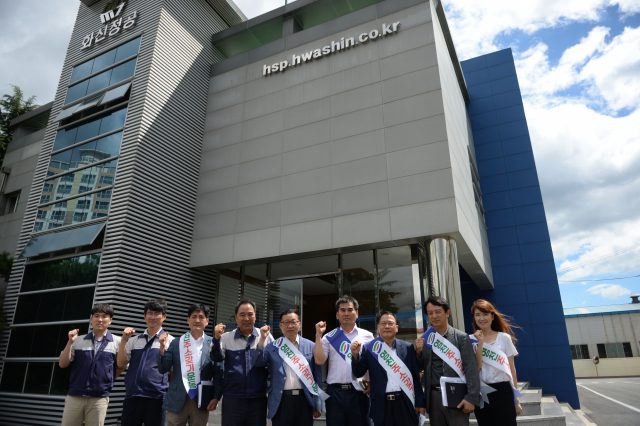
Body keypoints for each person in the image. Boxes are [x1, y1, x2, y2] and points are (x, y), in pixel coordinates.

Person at [351, 311, 426, 426]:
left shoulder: (408, 348)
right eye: (383, 323)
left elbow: (416, 378)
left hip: (404, 403)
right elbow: (358, 372)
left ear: (396, 328)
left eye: (390, 323)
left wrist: (420, 403)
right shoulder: (369, 349)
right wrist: (356, 356)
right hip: (381, 405)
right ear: (378, 328)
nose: (387, 326)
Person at [251, 309, 323, 426]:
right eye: (286, 322)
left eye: (293, 322)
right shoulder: (273, 347)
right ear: (280, 325)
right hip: (281, 400)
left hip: (304, 400)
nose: (290, 326)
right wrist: (262, 340)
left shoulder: (311, 346)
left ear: (299, 324)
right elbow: (257, 362)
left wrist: (318, 402)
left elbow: (317, 375)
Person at [416, 296, 480, 426]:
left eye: (438, 311)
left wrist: (471, 398)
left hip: (457, 395)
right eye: (430, 313)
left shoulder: (461, 337)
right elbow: (419, 368)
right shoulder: (425, 339)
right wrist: (418, 353)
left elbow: (471, 369)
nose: (434, 316)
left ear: (447, 313)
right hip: (433, 397)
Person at [59, 303, 124, 426]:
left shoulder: (119, 342)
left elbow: (122, 366)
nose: (100, 319)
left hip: (99, 398)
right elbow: (62, 364)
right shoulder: (78, 340)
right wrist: (70, 342)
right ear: (91, 319)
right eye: (96, 316)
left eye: (104, 316)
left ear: (110, 320)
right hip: (75, 396)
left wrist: (107, 379)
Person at [157, 303, 222, 426]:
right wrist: (162, 347)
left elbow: (218, 373)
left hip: (201, 398)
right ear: (188, 320)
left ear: (207, 321)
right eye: (194, 316)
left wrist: (216, 397)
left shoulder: (213, 343)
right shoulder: (177, 343)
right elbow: (163, 368)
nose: (197, 320)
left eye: (201, 317)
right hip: (178, 398)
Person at [313, 295, 374, 426]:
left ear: (356, 313)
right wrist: (318, 335)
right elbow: (319, 360)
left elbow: (372, 363)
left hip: (359, 392)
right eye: (342, 310)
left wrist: (371, 382)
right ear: (337, 315)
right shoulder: (329, 337)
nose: (346, 313)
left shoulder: (368, 336)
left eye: (350, 310)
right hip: (335, 393)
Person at [211, 299, 272, 426]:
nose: (246, 318)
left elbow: (274, 365)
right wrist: (216, 338)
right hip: (233, 399)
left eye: (250, 314)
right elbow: (216, 357)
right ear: (236, 317)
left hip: (258, 399)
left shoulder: (266, 337)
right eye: (242, 314)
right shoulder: (226, 338)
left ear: (255, 316)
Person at [117, 299, 174, 426]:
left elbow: (172, 372)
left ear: (164, 316)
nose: (153, 317)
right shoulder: (133, 340)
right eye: (149, 313)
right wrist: (124, 340)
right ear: (144, 316)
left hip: (157, 399)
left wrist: (168, 394)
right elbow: (121, 364)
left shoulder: (171, 341)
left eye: (157, 313)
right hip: (133, 396)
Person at [471, 299, 522, 426]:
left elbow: (512, 368)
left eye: (485, 314)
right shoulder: (471, 340)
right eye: (477, 315)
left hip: (503, 391)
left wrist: (516, 397)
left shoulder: (504, 338)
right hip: (482, 391)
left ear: (492, 316)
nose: (481, 318)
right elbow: (474, 369)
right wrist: (480, 344)